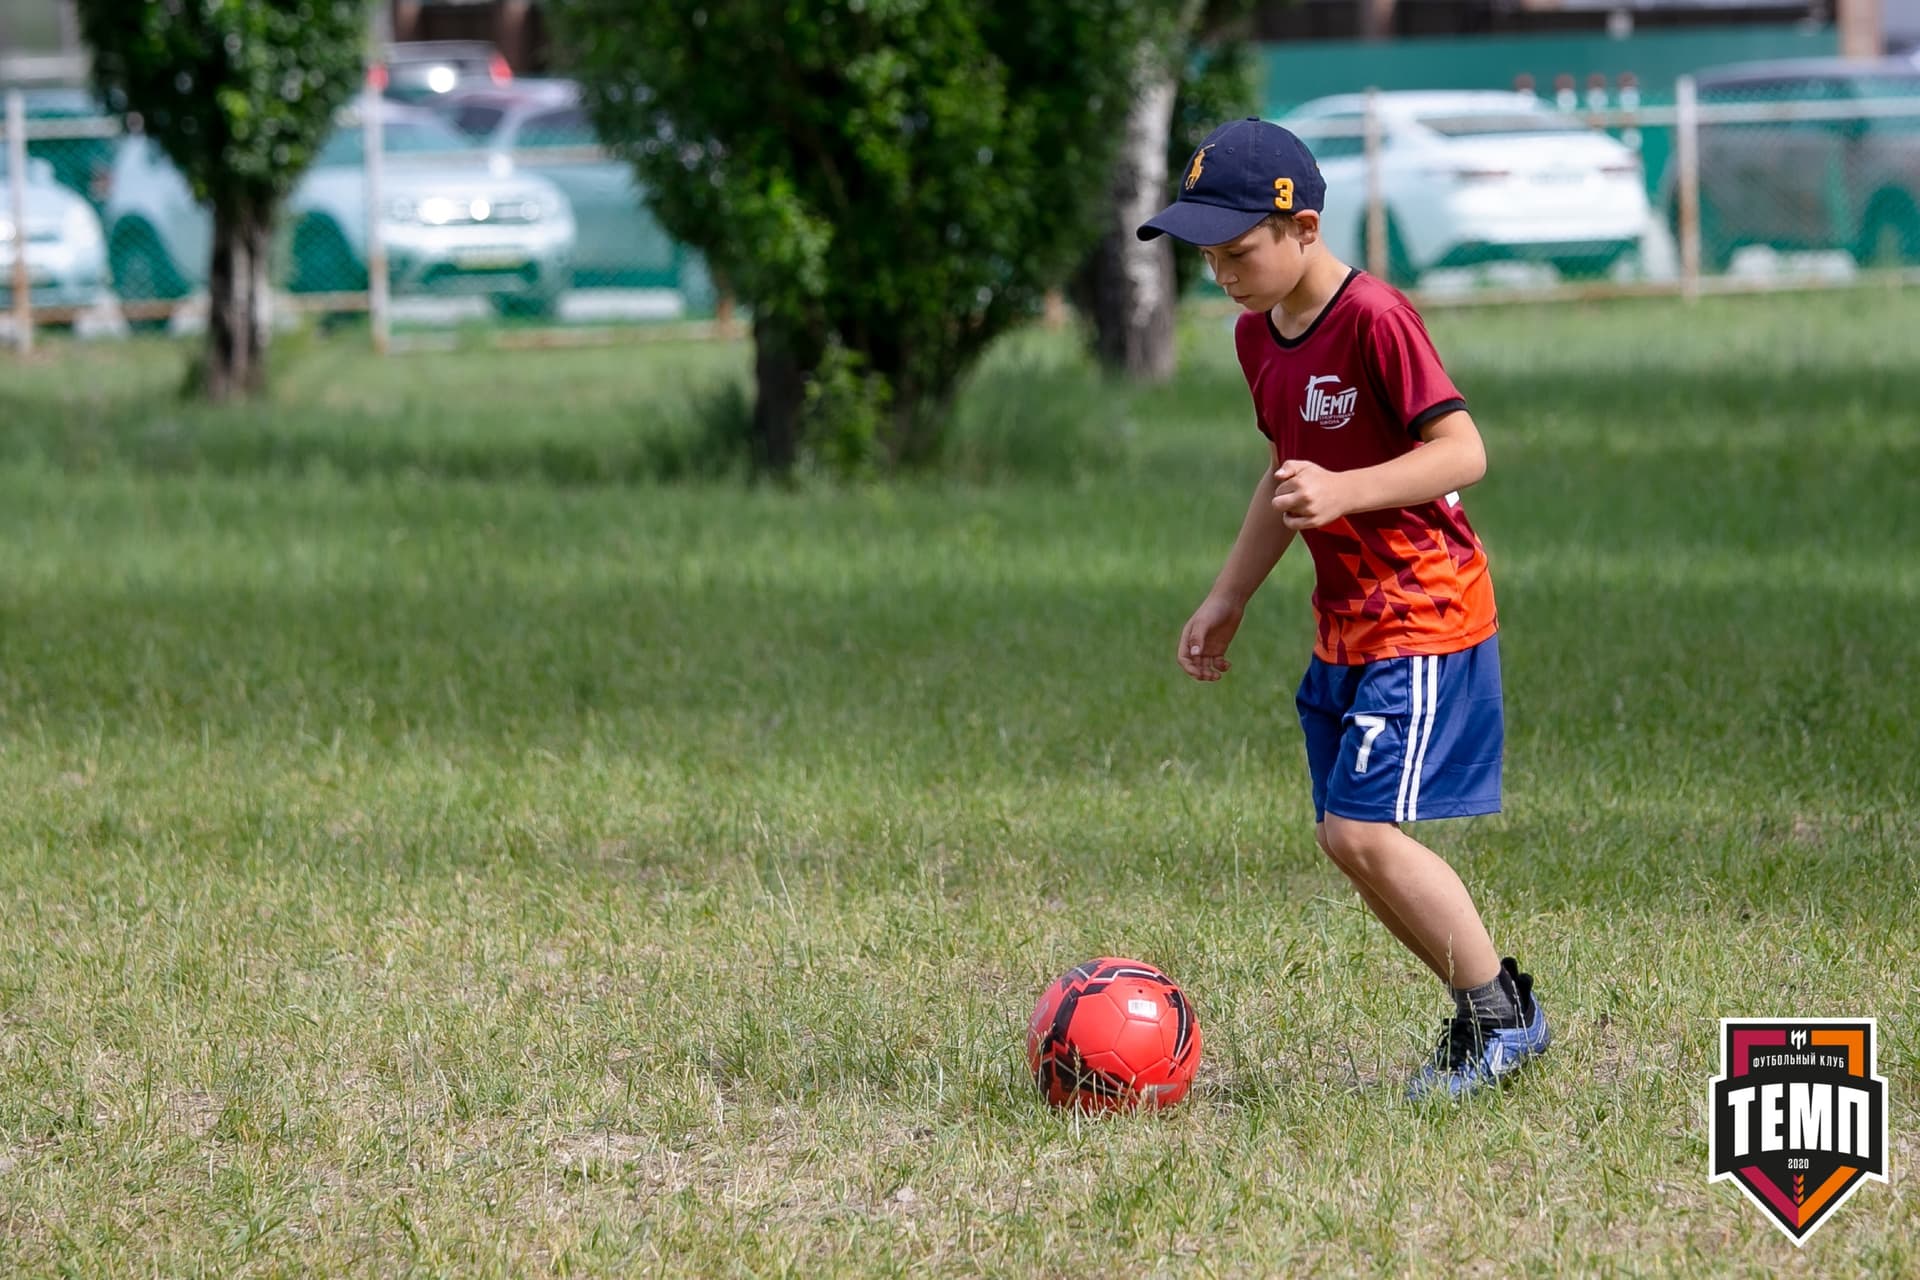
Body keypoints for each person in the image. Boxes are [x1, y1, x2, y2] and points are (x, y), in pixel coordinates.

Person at [1138, 117, 1550, 1101]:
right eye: (1208, 258)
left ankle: (1506, 1017)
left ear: (1304, 228)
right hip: (1347, 620)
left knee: (1361, 833)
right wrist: (1230, 592)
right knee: (1342, 836)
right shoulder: (1256, 337)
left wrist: (1346, 490)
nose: (1225, 275)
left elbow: (1462, 452)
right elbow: (1286, 472)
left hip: (1424, 609)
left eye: (1239, 253)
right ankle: (1485, 1011)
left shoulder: (1376, 317)